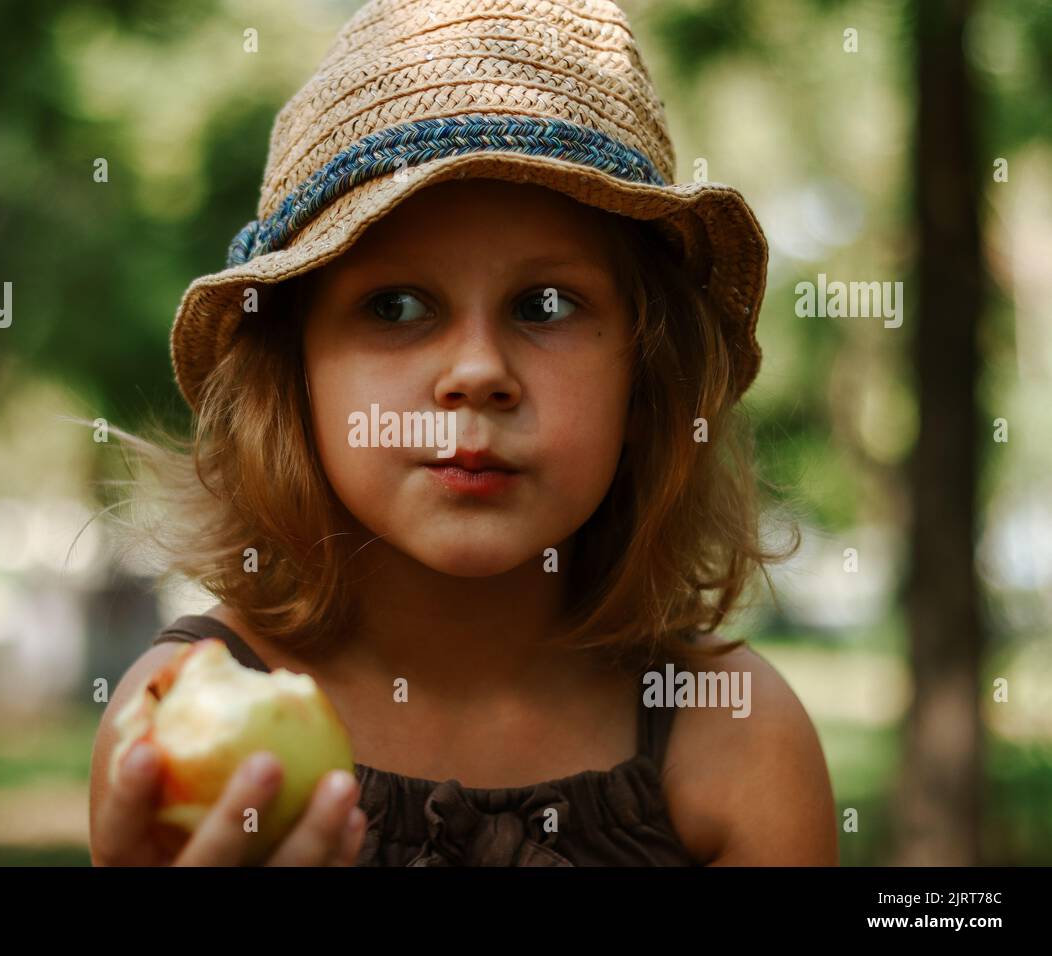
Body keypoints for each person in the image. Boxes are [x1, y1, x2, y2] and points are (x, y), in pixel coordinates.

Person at [89, 0, 837, 866]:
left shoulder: (735, 736)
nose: (477, 371)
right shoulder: (185, 719)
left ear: (646, 378)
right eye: (395, 306)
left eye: (544, 305)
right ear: (292, 378)